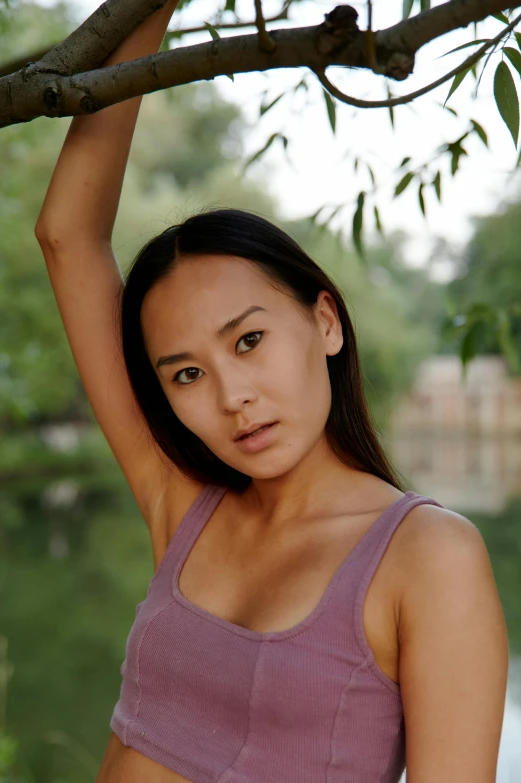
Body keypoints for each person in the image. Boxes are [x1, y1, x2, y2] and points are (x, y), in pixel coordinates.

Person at [35, 2, 509, 782]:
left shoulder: (426, 556)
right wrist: (145, 12)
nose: (232, 396)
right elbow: (67, 233)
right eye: (186, 372)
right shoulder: (182, 506)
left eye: (249, 340)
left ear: (325, 320)